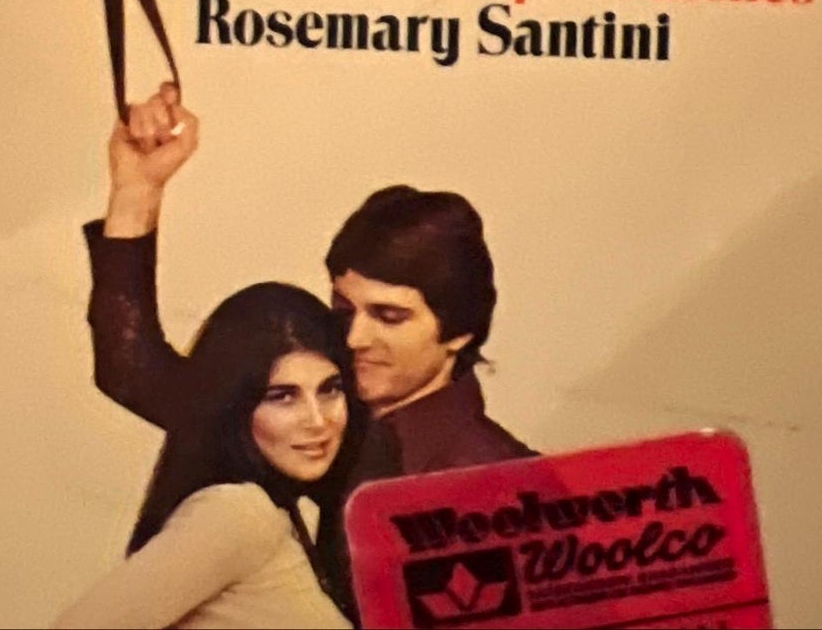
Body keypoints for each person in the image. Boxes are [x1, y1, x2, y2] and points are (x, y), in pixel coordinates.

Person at [82, 87, 532, 606]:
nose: (354, 338)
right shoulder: (340, 424)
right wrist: (137, 191)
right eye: (345, 310)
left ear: (460, 331)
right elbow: (135, 373)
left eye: (389, 317)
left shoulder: (508, 483)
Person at [55, 281, 361, 628]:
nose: (318, 421)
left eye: (330, 390)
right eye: (282, 396)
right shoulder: (238, 514)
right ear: (236, 405)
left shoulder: (268, 514)